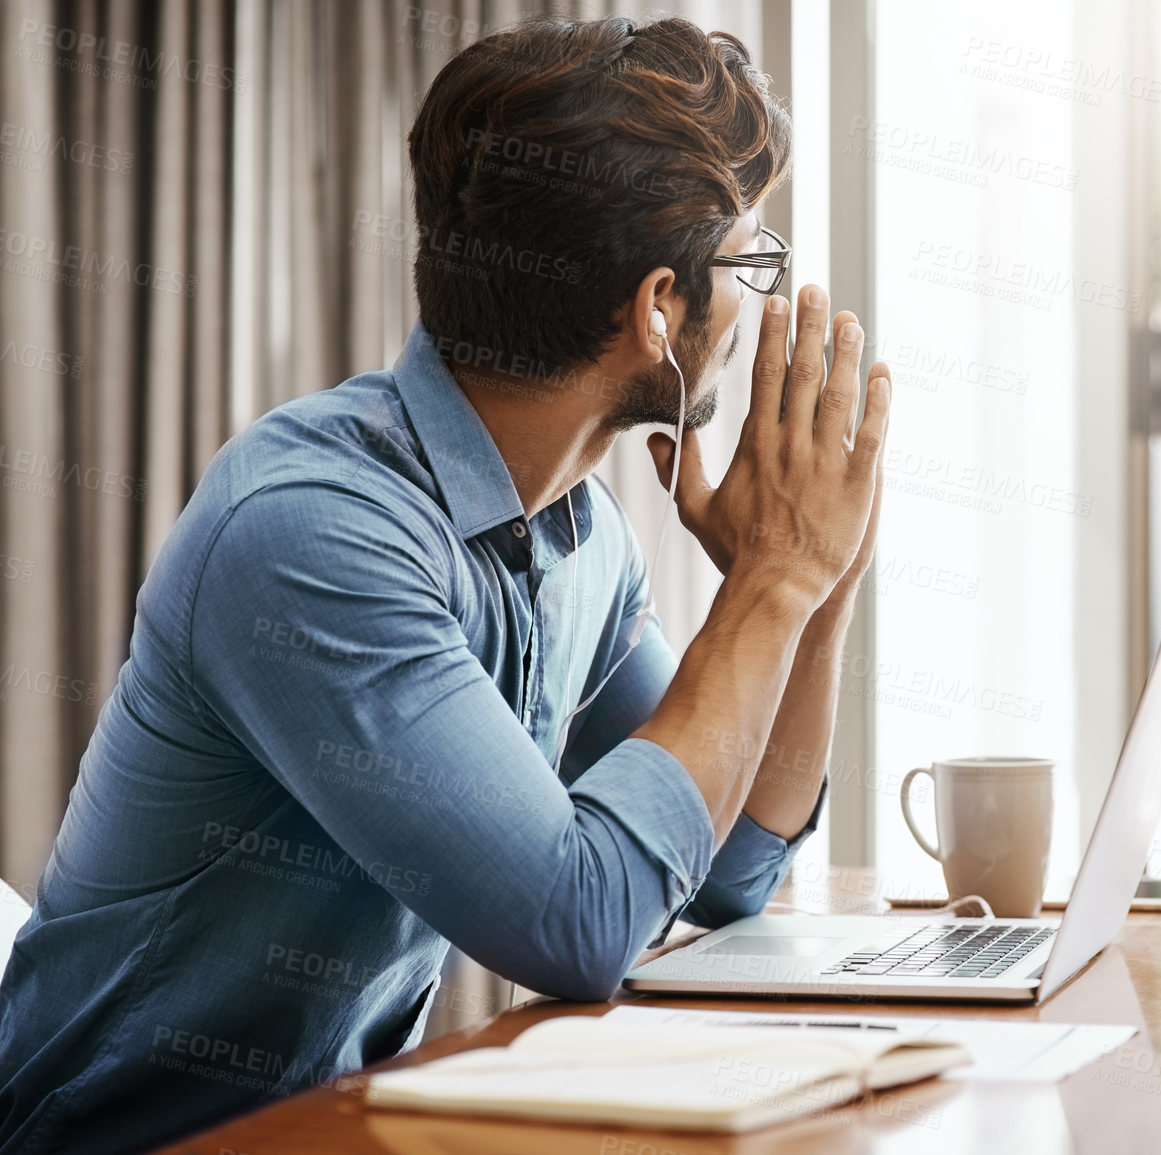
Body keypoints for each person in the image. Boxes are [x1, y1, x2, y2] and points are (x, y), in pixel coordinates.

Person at [0, 15, 890, 1153]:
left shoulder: (575, 534)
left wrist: (822, 580)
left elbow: (729, 870)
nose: (757, 306)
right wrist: (772, 579)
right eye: (751, 266)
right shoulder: (315, 535)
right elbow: (582, 920)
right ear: (660, 309)